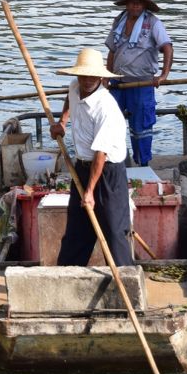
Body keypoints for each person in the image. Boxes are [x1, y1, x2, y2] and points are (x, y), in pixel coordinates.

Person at [50, 47, 133, 267]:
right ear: (78, 75)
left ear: (100, 77)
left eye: (92, 76)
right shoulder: (75, 87)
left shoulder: (106, 108)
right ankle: (67, 275)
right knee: (77, 230)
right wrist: (62, 123)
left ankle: (124, 279)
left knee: (114, 231)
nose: (87, 80)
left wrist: (89, 191)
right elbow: (70, 100)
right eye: (84, 75)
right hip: (83, 167)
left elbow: (101, 154)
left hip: (107, 173)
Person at [105, 0, 173, 166]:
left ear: (144, 5)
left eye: (139, 3)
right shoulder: (118, 21)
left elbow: (167, 47)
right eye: (132, 3)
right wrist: (105, 78)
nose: (135, 6)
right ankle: (113, 162)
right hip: (117, 83)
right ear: (126, 4)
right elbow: (112, 51)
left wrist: (163, 75)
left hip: (142, 84)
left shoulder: (153, 23)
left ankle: (142, 164)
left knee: (141, 128)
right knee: (109, 124)